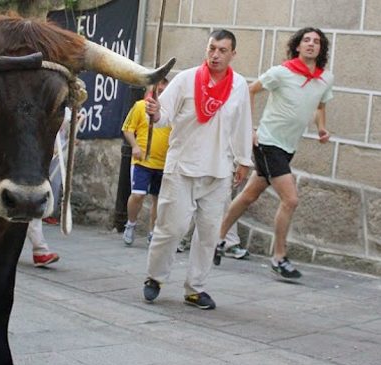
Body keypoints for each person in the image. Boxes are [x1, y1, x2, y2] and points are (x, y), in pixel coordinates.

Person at [142, 29, 253, 310]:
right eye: (212, 48)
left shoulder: (239, 85)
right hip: (183, 167)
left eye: (222, 50)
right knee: (172, 228)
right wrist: (154, 111)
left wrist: (243, 160)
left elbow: (242, 124)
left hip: (219, 170)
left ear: (233, 54)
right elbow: (164, 114)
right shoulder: (187, 78)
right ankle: (155, 277)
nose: (215, 55)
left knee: (209, 234)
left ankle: (195, 288)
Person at [217, 27, 334, 281]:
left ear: (321, 48)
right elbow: (248, 90)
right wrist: (249, 130)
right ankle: (279, 257)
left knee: (249, 195)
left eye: (316, 41)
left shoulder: (325, 79)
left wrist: (322, 128)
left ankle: (216, 239)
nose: (311, 44)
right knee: (290, 199)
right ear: (298, 46)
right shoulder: (282, 72)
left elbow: (319, 106)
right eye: (306, 40)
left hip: (288, 146)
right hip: (268, 143)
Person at [121, 78, 171, 247]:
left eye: (165, 85)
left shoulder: (171, 110)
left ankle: (153, 232)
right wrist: (134, 146)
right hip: (142, 160)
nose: (162, 88)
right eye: (158, 86)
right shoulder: (140, 106)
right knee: (138, 194)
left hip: (164, 163)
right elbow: (127, 129)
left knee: (159, 199)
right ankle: (131, 224)